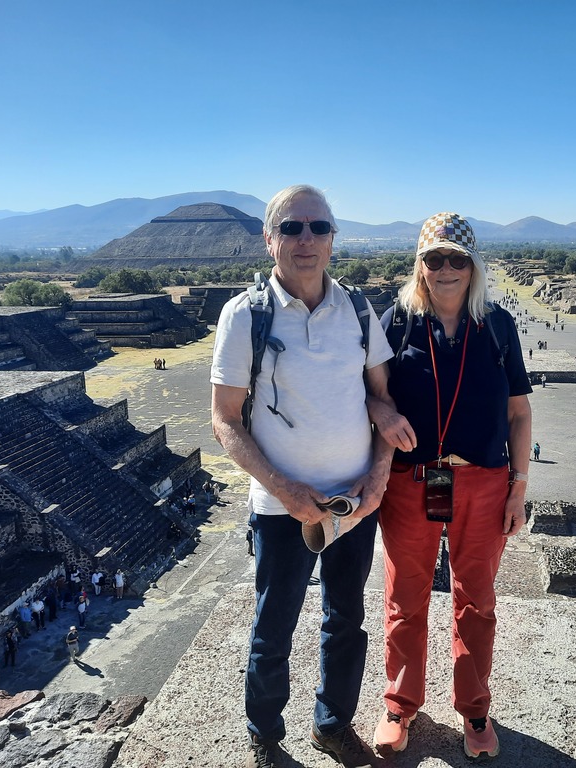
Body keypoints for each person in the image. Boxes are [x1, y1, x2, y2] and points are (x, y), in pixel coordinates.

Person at [211, 185, 403, 768]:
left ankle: (332, 725)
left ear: (333, 240)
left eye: (319, 228)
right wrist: (286, 491)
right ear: (270, 239)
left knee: (346, 622)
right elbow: (224, 420)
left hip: (352, 504)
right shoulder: (246, 315)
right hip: (281, 509)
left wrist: (378, 476)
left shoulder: (359, 310)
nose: (306, 239)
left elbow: (382, 403)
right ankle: (265, 735)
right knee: (274, 627)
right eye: (292, 228)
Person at [366, 212, 532, 761]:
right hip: (413, 482)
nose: (445, 269)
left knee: (476, 602)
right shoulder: (398, 323)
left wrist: (518, 487)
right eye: (434, 259)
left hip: (483, 481)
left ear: (473, 266)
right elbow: (370, 395)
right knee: (404, 598)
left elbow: (518, 414)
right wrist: (381, 415)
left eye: (456, 259)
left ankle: (475, 710)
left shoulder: (498, 326)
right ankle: (399, 704)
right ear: (420, 266)